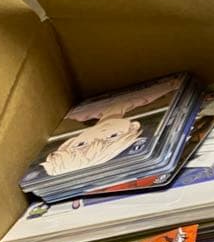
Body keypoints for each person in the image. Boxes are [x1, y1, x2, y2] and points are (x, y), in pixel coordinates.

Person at [40, 76, 182, 177]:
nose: (100, 133)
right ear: (133, 127)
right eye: (112, 136)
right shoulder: (163, 103)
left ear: (72, 140)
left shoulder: (75, 115)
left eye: (81, 144)